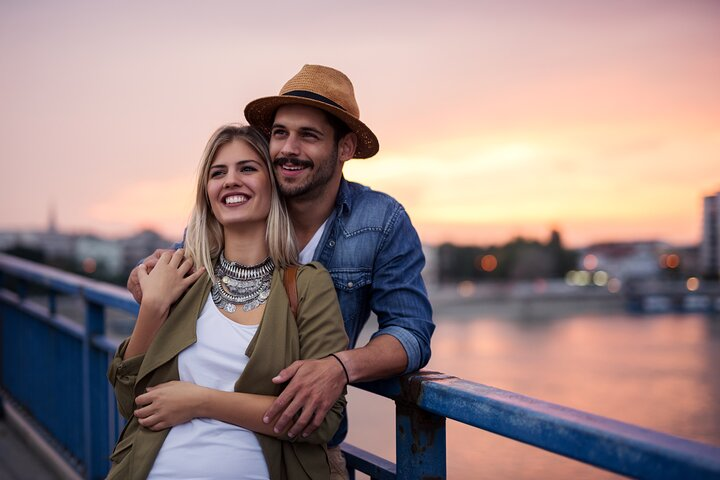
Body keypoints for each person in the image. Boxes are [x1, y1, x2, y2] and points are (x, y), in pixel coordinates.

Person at [127, 65, 435, 478]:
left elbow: (411, 331)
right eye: (280, 133)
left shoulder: (381, 221)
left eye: (308, 135)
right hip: (190, 440)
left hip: (296, 438)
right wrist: (145, 278)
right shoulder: (242, 208)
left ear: (345, 148)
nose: (288, 148)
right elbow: (180, 270)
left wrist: (341, 366)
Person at [108, 125, 348, 480]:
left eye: (247, 169)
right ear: (207, 193)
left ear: (273, 185)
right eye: (217, 173)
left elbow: (320, 422)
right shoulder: (183, 275)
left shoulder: (308, 284)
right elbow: (131, 403)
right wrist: (153, 306)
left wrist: (199, 401)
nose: (231, 180)